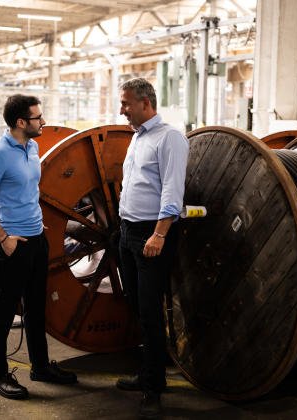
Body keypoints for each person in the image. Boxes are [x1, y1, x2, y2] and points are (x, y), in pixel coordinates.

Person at [0, 94, 77, 400]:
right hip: (12, 245)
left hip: (36, 238)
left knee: (36, 307)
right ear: (20, 122)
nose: (42, 121)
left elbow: (29, 191)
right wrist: (4, 238)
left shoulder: (32, 147)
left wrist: (35, 221)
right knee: (3, 311)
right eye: (37, 118)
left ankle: (40, 367)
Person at [116, 78, 189, 418]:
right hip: (128, 232)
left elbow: (172, 193)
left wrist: (159, 235)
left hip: (151, 235)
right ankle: (146, 373)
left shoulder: (169, 138)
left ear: (146, 103)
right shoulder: (138, 137)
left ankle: (154, 387)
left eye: (126, 104)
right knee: (135, 304)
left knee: (150, 311)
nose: (122, 109)